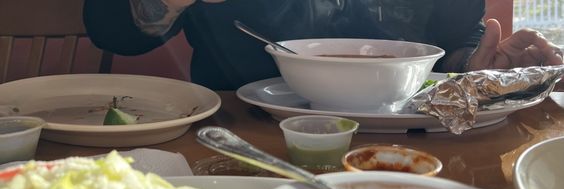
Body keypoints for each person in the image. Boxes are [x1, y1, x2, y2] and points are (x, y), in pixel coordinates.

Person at [83, 0, 563, 90]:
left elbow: (459, 34)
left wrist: (480, 60)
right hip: (242, 134)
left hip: (415, 132)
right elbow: (112, 29)